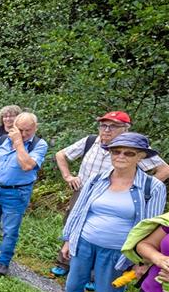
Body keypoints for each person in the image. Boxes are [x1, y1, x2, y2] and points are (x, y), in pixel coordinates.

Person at [46, 133, 165, 292]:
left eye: (128, 153)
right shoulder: (97, 179)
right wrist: (69, 239)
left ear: (140, 156)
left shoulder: (152, 188)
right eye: (115, 151)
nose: (120, 156)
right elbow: (80, 210)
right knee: (74, 283)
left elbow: (152, 228)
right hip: (85, 241)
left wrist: (143, 261)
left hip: (117, 252)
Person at [51, 110, 169, 277]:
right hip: (86, 191)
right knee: (73, 223)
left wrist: (142, 188)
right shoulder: (91, 141)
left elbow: (165, 169)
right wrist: (68, 176)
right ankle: (65, 263)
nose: (106, 130)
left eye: (113, 126)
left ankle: (94, 275)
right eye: (103, 125)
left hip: (120, 197)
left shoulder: (136, 148)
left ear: (125, 129)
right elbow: (61, 154)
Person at [0, 112, 48, 276]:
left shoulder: (39, 145)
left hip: (16, 192)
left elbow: (27, 165)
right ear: (14, 127)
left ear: (35, 128)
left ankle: (3, 262)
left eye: (28, 130)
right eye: (20, 130)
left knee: (10, 229)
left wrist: (19, 143)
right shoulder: (2, 140)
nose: (24, 133)